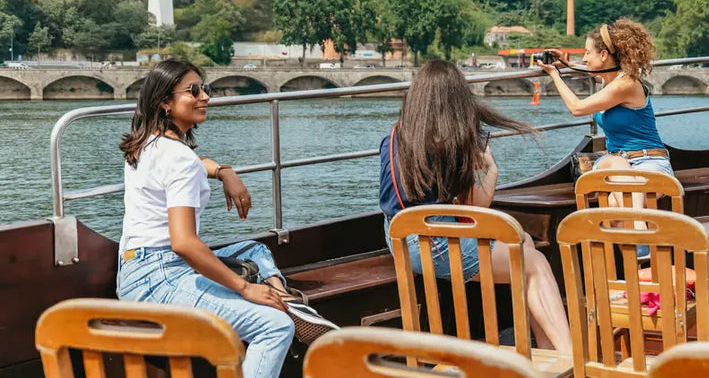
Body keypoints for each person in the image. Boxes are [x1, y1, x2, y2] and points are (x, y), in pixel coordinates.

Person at [117, 59, 335, 378]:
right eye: (194, 91)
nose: (205, 96)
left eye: (205, 89)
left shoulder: (146, 144)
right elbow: (184, 243)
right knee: (274, 327)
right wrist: (244, 289)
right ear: (165, 101)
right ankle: (284, 309)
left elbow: (193, 162)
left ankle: (285, 300)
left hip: (135, 268)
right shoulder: (178, 160)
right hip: (160, 276)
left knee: (253, 251)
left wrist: (223, 171)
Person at [379, 59, 573, 352]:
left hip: (401, 240)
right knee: (535, 263)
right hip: (437, 246)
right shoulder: (451, 142)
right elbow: (475, 211)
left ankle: (547, 352)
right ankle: (572, 360)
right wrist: (491, 171)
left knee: (526, 245)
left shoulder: (393, 137)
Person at [539, 19, 672, 257]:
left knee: (614, 209)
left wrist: (555, 75)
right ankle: (641, 240)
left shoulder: (626, 84)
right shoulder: (610, 80)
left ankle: (638, 267)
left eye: (587, 53)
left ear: (603, 55)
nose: (585, 59)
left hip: (649, 162)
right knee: (617, 164)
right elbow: (591, 71)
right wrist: (567, 64)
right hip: (617, 163)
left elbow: (578, 108)